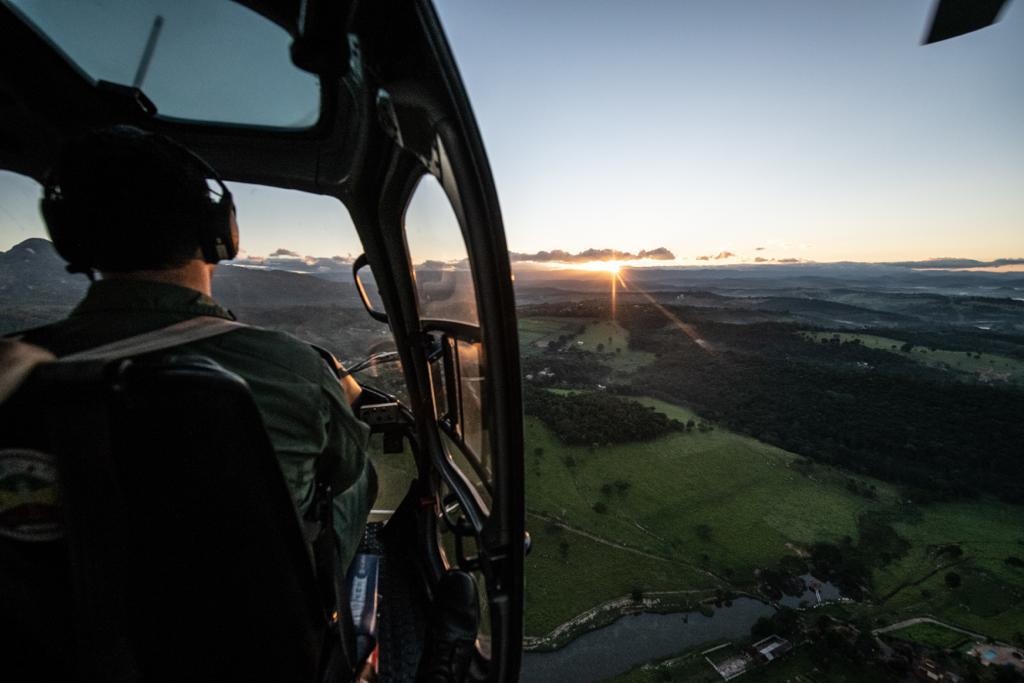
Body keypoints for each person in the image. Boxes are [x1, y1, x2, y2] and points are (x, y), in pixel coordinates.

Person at [16, 125, 373, 572]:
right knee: (359, 474)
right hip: (251, 609)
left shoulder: (16, 371)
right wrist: (340, 396)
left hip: (72, 608)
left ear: (75, 242)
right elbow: (342, 471)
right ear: (220, 232)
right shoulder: (293, 367)